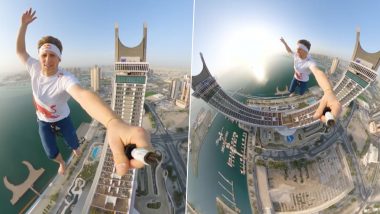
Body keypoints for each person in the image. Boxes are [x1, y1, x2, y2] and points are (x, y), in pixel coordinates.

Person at [16, 8, 150, 176]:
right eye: (44, 55)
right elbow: (20, 51)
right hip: (43, 120)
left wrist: (112, 121)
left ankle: (74, 150)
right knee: (50, 152)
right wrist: (23, 26)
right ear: (39, 56)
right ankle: (61, 163)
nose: (47, 60)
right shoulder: (33, 67)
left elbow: (82, 95)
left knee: (74, 143)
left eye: (52, 55)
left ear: (59, 59)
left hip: (63, 118)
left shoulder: (64, 78)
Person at [280, 37, 342, 124]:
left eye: (300, 49)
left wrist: (328, 91)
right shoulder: (296, 56)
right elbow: (289, 51)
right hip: (295, 77)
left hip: (304, 81)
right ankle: (293, 92)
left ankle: (298, 92)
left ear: (306, 51)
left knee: (301, 93)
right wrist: (284, 42)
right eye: (297, 49)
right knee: (291, 90)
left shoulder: (310, 62)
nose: (297, 51)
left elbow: (317, 72)